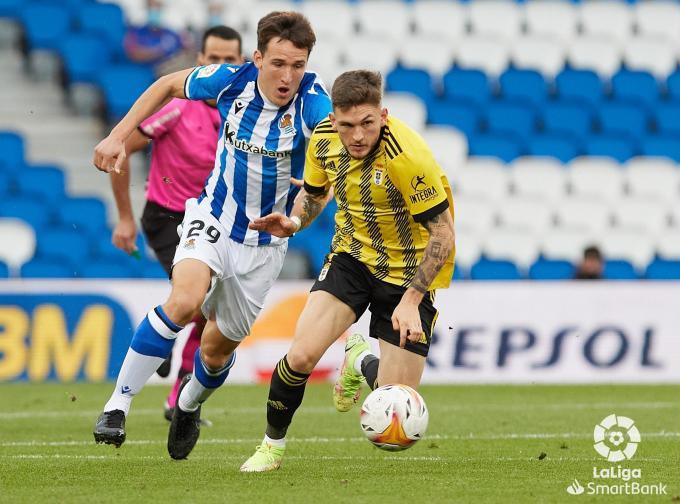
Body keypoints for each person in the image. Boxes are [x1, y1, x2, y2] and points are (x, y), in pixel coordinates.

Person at [92, 11, 331, 460]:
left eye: (297, 66)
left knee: (217, 349)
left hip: (264, 246)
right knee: (183, 301)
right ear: (257, 58)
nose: (287, 76)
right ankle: (117, 405)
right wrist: (117, 136)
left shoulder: (315, 105)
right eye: (278, 63)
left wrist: (296, 220)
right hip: (213, 218)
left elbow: (323, 184)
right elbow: (166, 85)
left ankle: (187, 404)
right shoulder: (230, 81)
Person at [241, 70, 456, 472]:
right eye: (347, 126)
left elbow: (443, 233)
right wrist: (293, 221)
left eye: (366, 124)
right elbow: (315, 192)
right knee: (302, 355)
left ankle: (358, 361)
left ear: (383, 115)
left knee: (398, 405)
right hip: (352, 258)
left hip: (407, 274)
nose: (356, 136)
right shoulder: (323, 138)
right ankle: (271, 445)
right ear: (334, 120)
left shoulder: (407, 158)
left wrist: (412, 300)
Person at [110, 25, 244, 422]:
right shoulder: (179, 107)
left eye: (229, 60)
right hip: (169, 216)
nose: (221, 66)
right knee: (197, 300)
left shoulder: (246, 115)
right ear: (200, 63)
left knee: (211, 310)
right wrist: (124, 217)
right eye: (214, 59)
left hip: (213, 220)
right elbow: (122, 149)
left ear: (242, 64)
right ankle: (163, 351)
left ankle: (176, 395)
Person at [124, 0, 188, 68]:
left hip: (170, 71)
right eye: (151, 7)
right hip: (143, 71)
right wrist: (160, 51)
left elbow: (186, 51)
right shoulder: (136, 32)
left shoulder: (172, 34)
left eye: (157, 7)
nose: (154, 10)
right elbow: (133, 54)